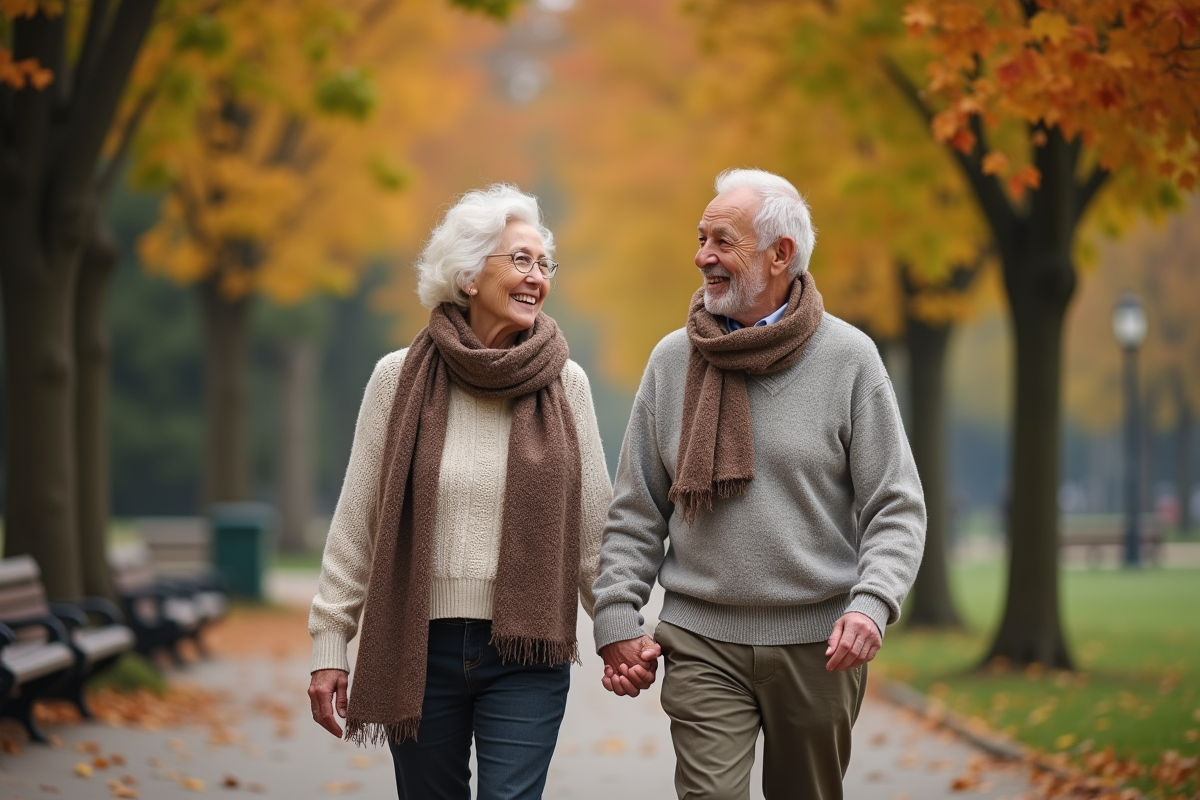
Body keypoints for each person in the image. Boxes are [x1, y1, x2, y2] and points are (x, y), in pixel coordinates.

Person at [591, 168, 926, 800]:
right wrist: (616, 615)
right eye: (701, 238)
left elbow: (896, 505)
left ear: (781, 255)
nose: (703, 257)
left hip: (820, 644)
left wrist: (872, 602)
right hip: (701, 638)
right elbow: (637, 509)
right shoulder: (672, 362)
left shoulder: (850, 360)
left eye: (722, 241)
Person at [307, 184, 611, 800]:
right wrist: (329, 642)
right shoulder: (398, 379)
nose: (536, 278)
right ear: (469, 276)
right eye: (520, 260)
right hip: (418, 646)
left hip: (526, 651)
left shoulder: (565, 383)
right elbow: (359, 518)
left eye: (543, 264)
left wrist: (620, 628)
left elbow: (593, 528)